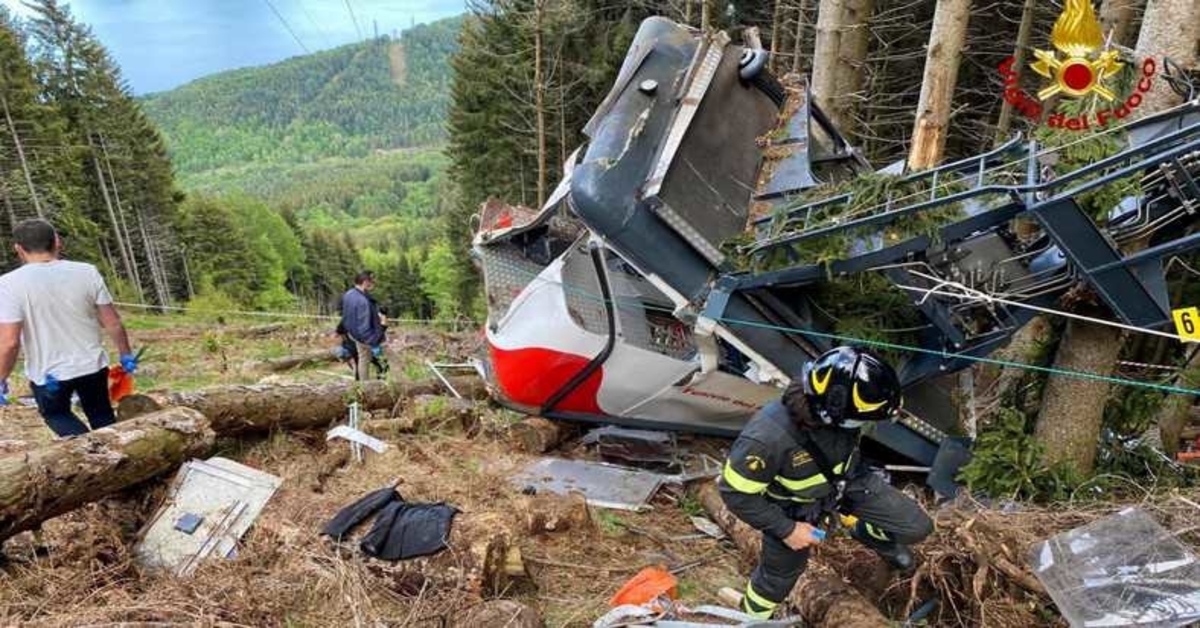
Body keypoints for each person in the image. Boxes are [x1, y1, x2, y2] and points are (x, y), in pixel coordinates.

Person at [719, 346, 933, 619]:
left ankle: (864, 530)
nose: (860, 426)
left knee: (916, 526)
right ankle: (751, 619)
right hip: (792, 509)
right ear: (831, 410)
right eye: (858, 420)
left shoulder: (840, 407)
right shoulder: (766, 439)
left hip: (846, 483)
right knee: (777, 579)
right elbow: (735, 494)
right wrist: (786, 529)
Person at [0, 219, 138, 437]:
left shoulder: (8, 284)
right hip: (92, 365)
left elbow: (9, 342)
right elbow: (112, 322)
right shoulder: (87, 272)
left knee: (57, 415)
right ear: (57, 242)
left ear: (18, 249)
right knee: (102, 415)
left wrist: (1, 378)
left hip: (49, 375)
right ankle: (116, 454)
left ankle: (90, 453)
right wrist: (125, 354)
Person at [339, 270, 386, 381]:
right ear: (365, 282)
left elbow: (347, 316)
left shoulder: (348, 294)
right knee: (387, 359)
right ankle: (396, 385)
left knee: (363, 359)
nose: (373, 284)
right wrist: (374, 341)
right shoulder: (363, 301)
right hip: (365, 338)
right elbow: (364, 326)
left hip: (353, 335)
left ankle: (364, 386)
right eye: (372, 281)